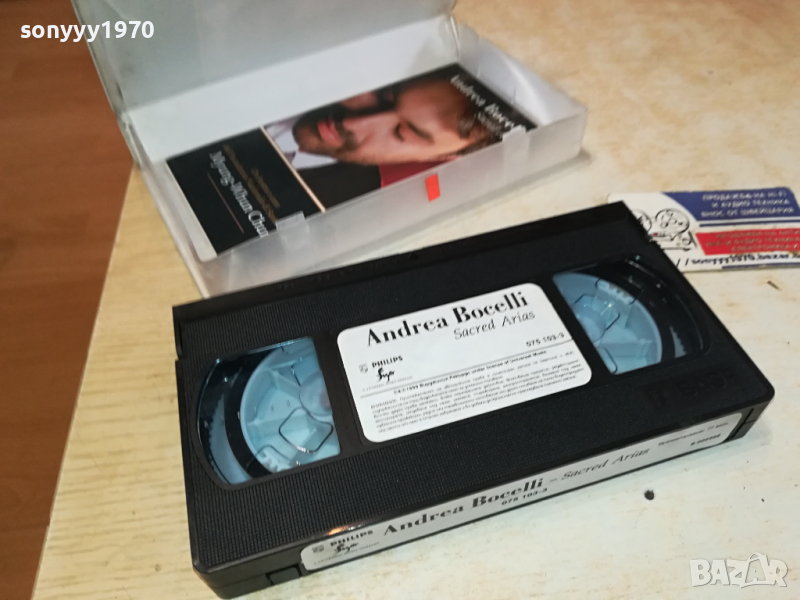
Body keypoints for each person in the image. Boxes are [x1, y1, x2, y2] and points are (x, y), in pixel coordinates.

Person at [264, 72, 503, 207]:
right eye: (384, 95)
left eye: (401, 134)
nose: (353, 123)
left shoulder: (349, 212)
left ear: (438, 158)